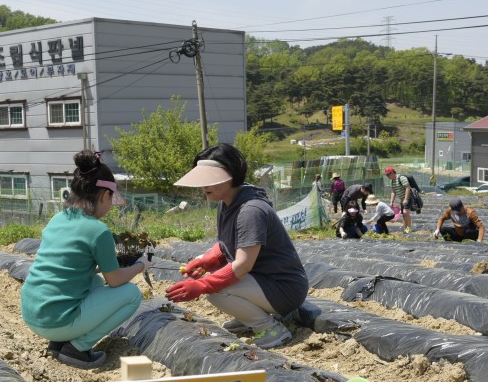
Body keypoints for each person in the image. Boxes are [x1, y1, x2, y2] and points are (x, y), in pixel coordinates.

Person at [165, 144, 308, 349]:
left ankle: (270, 329)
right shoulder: (226, 203)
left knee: (216, 290)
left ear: (230, 176)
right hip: (264, 280)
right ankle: (247, 316)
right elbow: (226, 244)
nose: (203, 186)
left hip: (283, 287)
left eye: (209, 179)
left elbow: (242, 265)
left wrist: (202, 285)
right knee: (216, 273)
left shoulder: (250, 210)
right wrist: (207, 260)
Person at [20, 150, 147, 369]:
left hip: (33, 312)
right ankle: (77, 347)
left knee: (95, 282)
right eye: (111, 200)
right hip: (56, 321)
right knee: (132, 294)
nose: (110, 207)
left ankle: (59, 342)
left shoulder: (58, 218)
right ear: (105, 195)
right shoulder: (98, 230)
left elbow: (69, 266)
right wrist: (140, 265)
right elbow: (115, 280)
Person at [384, 166, 412, 233]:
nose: (388, 176)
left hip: (408, 198)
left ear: (393, 172)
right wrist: (391, 202)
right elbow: (393, 192)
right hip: (402, 200)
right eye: (387, 175)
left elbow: (408, 188)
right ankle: (406, 228)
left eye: (389, 174)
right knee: (404, 214)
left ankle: (409, 228)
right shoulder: (392, 181)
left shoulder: (401, 178)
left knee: (406, 213)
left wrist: (406, 199)